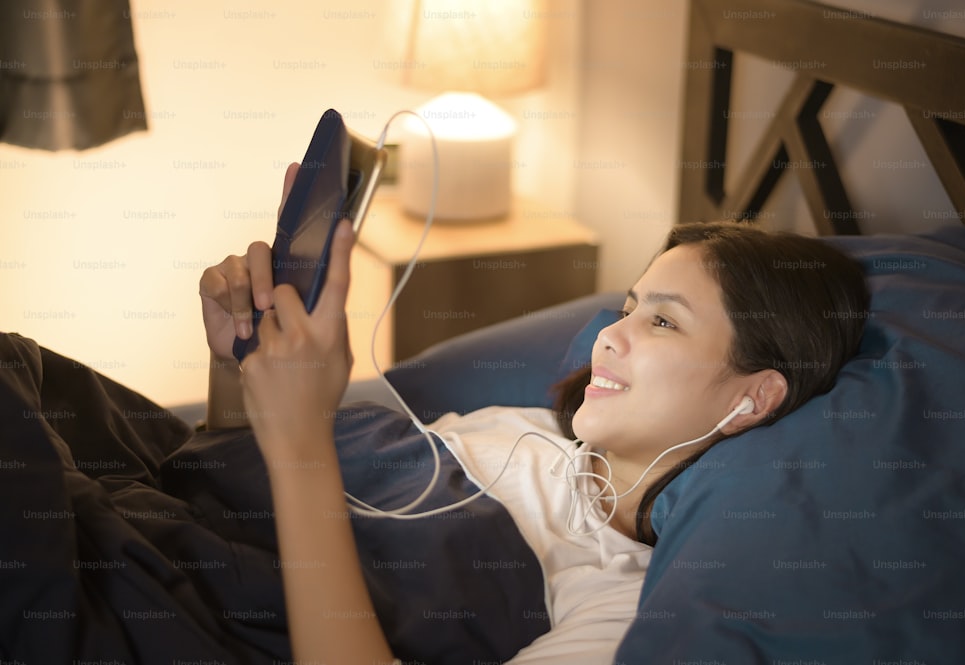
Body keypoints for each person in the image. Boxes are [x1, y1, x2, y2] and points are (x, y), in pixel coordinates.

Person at [196, 163, 870, 663]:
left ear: (751, 396)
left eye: (663, 320)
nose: (610, 334)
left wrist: (302, 442)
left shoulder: (619, 600)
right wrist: (237, 363)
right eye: (630, 306)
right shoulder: (522, 428)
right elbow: (221, 475)